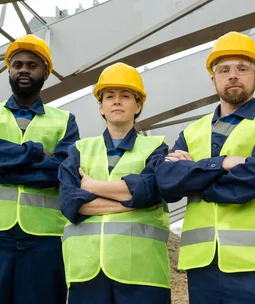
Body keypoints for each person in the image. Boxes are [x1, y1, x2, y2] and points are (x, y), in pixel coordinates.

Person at [156, 32, 255, 304]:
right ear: (213, 80)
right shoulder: (192, 131)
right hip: (202, 265)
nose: (233, 75)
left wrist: (196, 177)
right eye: (224, 70)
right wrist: (221, 164)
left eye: (242, 68)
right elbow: (166, 182)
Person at [0, 34, 79, 304]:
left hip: (44, 238)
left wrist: (2, 167)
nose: (23, 69)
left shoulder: (64, 121)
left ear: (46, 73)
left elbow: (62, 172)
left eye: (32, 65)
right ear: (9, 71)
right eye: (17, 65)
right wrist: (34, 152)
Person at [58, 62, 171, 304]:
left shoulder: (156, 148)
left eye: (125, 96)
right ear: (101, 106)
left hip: (142, 272)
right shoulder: (78, 150)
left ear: (138, 105)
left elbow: (150, 190)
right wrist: (131, 201)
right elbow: (69, 203)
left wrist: (91, 187)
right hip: (86, 272)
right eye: (109, 96)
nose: (116, 101)